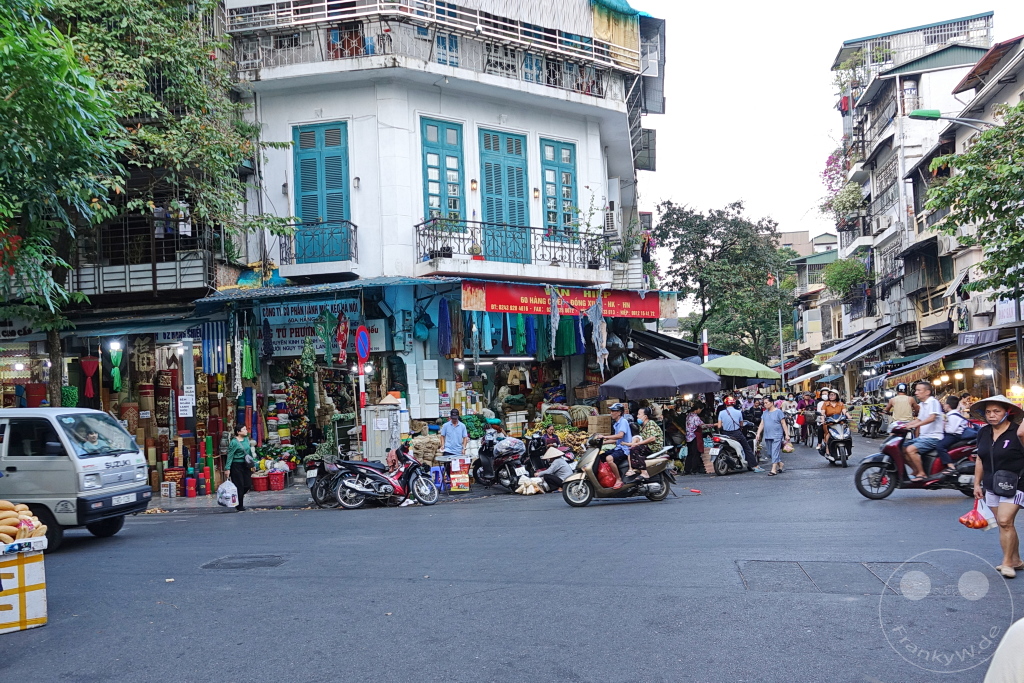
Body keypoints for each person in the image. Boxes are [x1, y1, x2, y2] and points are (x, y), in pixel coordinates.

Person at [969, 396, 1024, 578]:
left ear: (1007, 413)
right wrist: (977, 484)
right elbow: (980, 458)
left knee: (1005, 521)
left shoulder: (1017, 432)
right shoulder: (983, 432)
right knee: (1004, 524)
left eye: (996, 411)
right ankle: (1016, 560)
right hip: (991, 484)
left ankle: (1007, 563)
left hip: (1016, 484)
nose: (991, 415)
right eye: (988, 412)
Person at [903, 382, 944, 481]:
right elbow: (919, 419)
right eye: (916, 390)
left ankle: (922, 473)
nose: (916, 393)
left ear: (927, 392)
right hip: (923, 437)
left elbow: (932, 418)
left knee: (910, 450)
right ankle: (916, 470)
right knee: (902, 448)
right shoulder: (922, 404)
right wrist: (905, 425)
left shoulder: (932, 402)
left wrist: (916, 425)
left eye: (919, 390)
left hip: (934, 437)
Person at [716, 396, 761, 472]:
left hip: (725, 434)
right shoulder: (738, 412)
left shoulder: (721, 413)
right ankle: (754, 466)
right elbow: (741, 424)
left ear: (725, 403)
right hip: (736, 433)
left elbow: (719, 426)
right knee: (747, 448)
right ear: (734, 403)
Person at [931, 395, 972, 476]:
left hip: (954, 436)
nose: (944, 406)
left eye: (945, 404)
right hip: (952, 435)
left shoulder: (953, 416)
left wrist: (944, 426)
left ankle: (951, 466)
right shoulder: (952, 414)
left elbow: (951, 430)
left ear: (948, 406)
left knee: (940, 446)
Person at [623, 406, 663, 483]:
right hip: (647, 446)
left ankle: (644, 472)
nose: (637, 416)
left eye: (639, 414)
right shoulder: (642, 426)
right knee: (631, 449)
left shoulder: (650, 423)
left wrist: (638, 444)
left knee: (635, 449)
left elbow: (652, 438)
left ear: (645, 416)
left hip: (653, 446)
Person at [599, 403, 632, 489]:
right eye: (611, 411)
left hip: (624, 449)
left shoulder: (623, 421)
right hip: (618, 448)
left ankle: (618, 479)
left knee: (609, 458)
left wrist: (605, 437)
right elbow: (616, 440)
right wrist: (603, 443)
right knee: (600, 457)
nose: (611, 413)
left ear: (619, 412)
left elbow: (620, 436)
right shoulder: (617, 424)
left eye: (613, 411)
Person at [756, 396, 790, 476]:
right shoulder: (764, 413)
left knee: (775, 452)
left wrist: (787, 434)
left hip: (777, 435)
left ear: (771, 403)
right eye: (764, 403)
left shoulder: (778, 412)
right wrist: (758, 433)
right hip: (768, 435)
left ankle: (773, 469)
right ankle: (780, 463)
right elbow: (762, 423)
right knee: (770, 453)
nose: (765, 404)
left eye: (766, 403)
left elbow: (783, 423)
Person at [224, 424, 253, 512]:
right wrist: (227, 468)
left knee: (247, 484)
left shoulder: (246, 439)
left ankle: (237, 497)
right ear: (238, 432)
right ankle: (240, 506)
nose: (246, 431)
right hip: (236, 465)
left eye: (245, 429)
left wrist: (252, 464)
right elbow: (230, 455)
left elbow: (249, 453)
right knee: (239, 486)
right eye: (244, 429)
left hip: (246, 465)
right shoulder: (234, 442)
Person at [683, 403, 708, 474]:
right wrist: (713, 425)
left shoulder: (688, 416)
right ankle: (694, 469)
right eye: (700, 410)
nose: (700, 411)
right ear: (697, 409)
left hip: (688, 436)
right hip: (694, 436)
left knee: (690, 453)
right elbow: (702, 425)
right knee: (695, 453)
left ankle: (687, 469)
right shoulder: (695, 417)